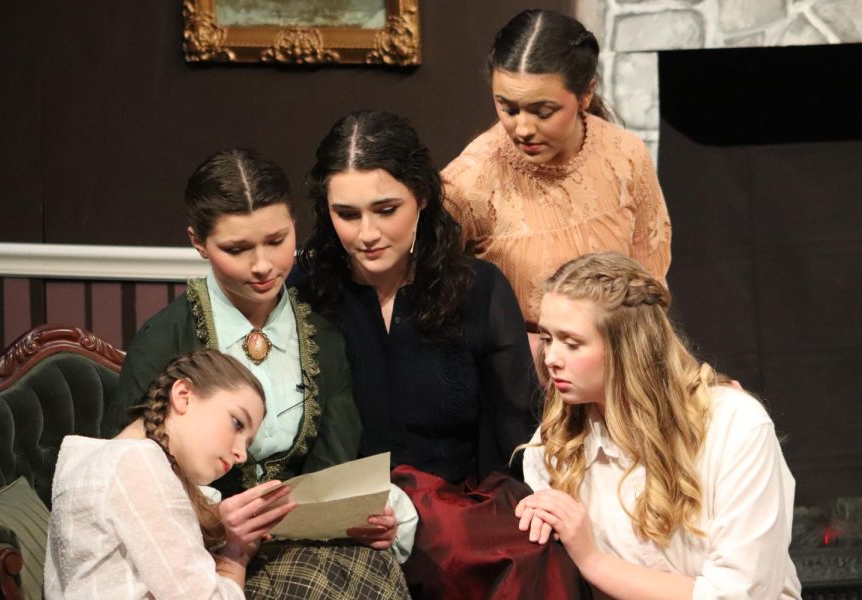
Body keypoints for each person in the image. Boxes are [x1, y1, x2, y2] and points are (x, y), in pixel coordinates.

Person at [297, 110, 580, 599]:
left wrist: (528, 502)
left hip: (455, 516)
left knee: (534, 546)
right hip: (341, 515)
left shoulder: (478, 289)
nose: (367, 233)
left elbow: (514, 432)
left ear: (422, 198)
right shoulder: (306, 291)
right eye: (347, 214)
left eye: (386, 209)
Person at [115, 148, 414, 599]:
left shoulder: (322, 337)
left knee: (369, 567)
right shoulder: (164, 339)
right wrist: (214, 521)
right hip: (196, 555)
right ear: (198, 243)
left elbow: (334, 468)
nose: (262, 265)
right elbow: (125, 477)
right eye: (237, 249)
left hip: (307, 544)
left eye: (277, 241)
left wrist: (361, 518)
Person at [518, 252, 801, 599]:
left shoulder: (735, 427)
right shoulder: (555, 448)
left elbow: (740, 594)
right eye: (547, 339)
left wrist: (593, 561)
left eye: (572, 343)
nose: (551, 359)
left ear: (627, 347)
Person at [443, 9, 672, 362]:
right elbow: (433, 304)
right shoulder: (469, 182)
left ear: (585, 94)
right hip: (521, 383)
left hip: (620, 377)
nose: (522, 128)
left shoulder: (626, 156)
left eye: (543, 111)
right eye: (507, 107)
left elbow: (650, 296)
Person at [45, 349, 285, 598]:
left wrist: (219, 522)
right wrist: (237, 555)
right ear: (184, 396)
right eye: (237, 423)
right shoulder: (136, 465)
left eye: (247, 443)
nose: (241, 455)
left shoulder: (104, 462)